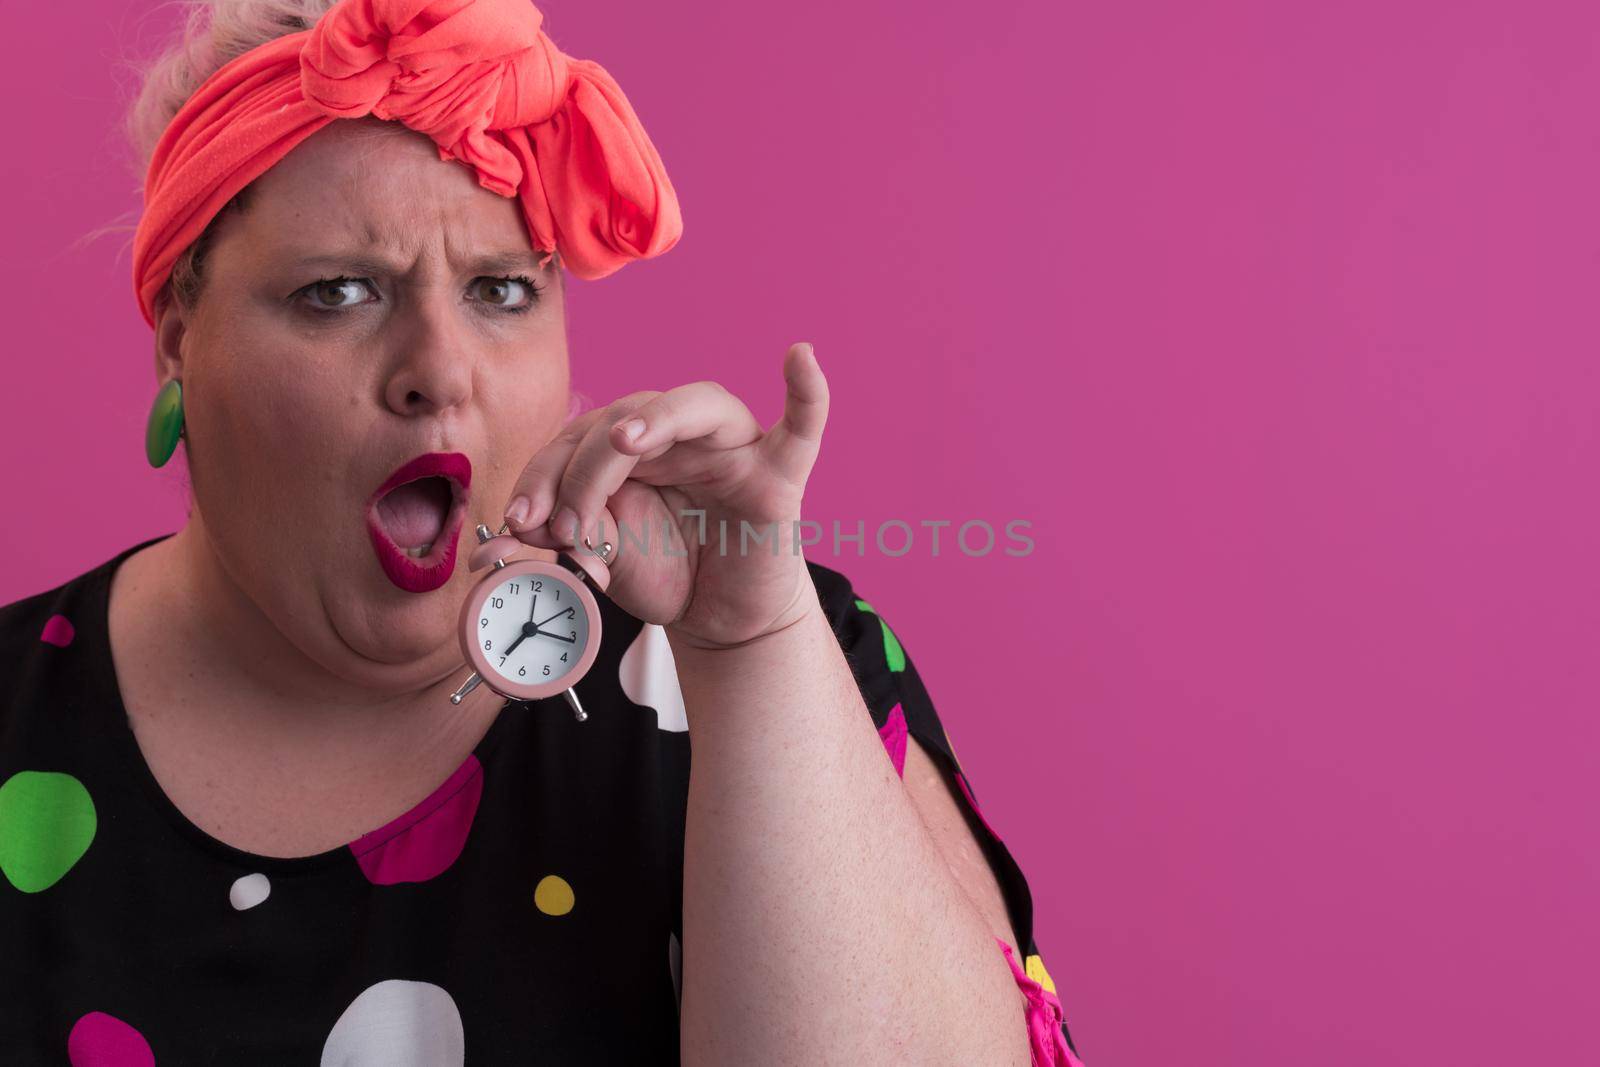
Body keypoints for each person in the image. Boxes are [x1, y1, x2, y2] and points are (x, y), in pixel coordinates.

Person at [0, 0, 1083, 1061]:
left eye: (502, 289)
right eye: (337, 291)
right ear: (179, 343)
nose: (439, 371)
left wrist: (751, 652)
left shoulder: (775, 663)